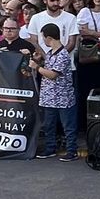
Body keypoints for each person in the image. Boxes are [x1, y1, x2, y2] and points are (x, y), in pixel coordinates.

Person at [35, 23, 79, 161]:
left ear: (49, 38)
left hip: (63, 96)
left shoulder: (63, 54)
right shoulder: (50, 54)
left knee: (68, 126)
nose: (44, 41)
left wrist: (37, 67)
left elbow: (53, 74)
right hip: (49, 97)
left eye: (44, 38)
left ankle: (72, 151)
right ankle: (50, 148)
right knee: (49, 125)